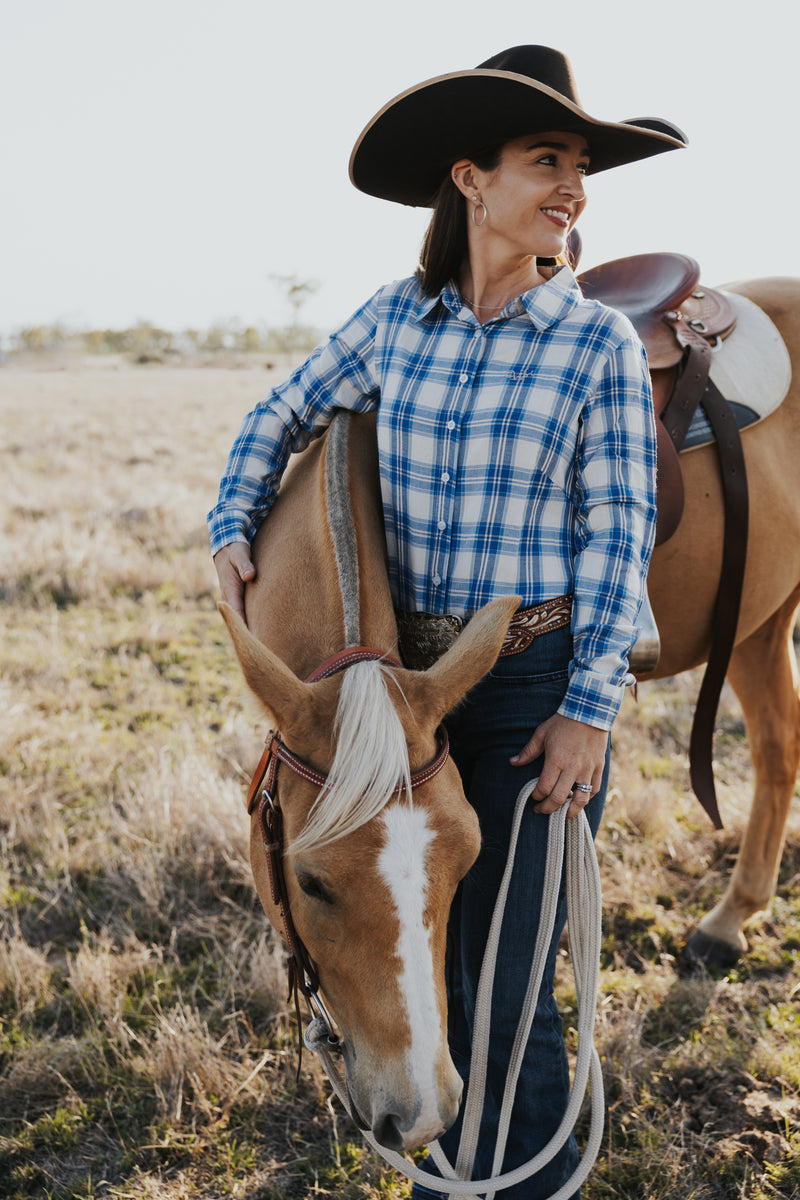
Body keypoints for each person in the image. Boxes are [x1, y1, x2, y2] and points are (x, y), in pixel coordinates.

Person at [208, 45, 685, 1200]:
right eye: (545, 161)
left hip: (528, 693)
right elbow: (280, 412)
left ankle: (514, 1179)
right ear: (470, 182)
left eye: (579, 168)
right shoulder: (395, 322)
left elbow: (615, 536)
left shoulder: (594, 347)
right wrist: (230, 520)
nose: (571, 187)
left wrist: (586, 711)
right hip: (405, 697)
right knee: (412, 963)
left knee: (502, 984)